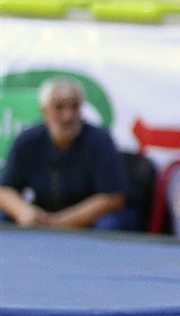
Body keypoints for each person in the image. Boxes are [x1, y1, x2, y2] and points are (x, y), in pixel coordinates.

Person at [0, 77, 127, 229]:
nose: (68, 116)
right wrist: (24, 212)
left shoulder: (100, 140)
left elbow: (113, 197)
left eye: (74, 107)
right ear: (45, 112)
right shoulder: (28, 141)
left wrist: (60, 222)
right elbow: (5, 189)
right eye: (59, 107)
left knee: (111, 223)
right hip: (41, 214)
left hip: (88, 220)